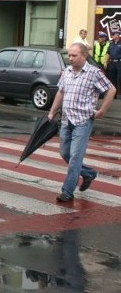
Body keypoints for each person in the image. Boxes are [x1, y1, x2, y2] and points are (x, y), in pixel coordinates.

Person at [48, 43, 116, 202]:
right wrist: (52, 112)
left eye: (74, 55)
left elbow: (111, 89)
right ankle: (89, 173)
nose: (70, 58)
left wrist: (102, 111)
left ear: (84, 56)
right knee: (65, 153)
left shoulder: (94, 73)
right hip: (66, 119)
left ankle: (67, 191)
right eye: (69, 55)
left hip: (83, 121)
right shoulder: (67, 72)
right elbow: (61, 92)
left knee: (75, 157)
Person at [106, 30, 121, 96]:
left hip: (119, 63)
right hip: (112, 63)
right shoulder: (111, 43)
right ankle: (113, 94)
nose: (112, 36)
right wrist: (105, 62)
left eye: (113, 34)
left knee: (120, 78)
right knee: (112, 79)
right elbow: (108, 53)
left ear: (117, 35)